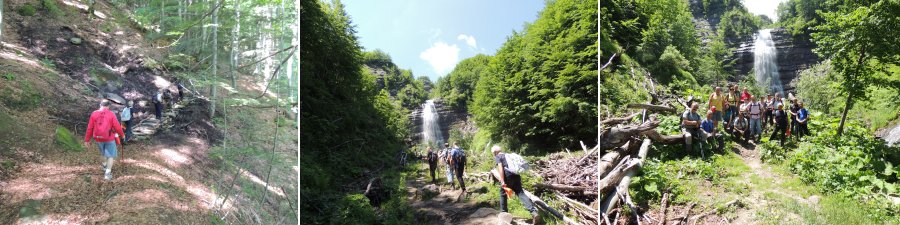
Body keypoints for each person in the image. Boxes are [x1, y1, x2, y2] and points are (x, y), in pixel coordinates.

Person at [492, 145, 540, 224]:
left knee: (502, 193)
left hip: (507, 177)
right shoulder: (508, 155)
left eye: (493, 153)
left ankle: (504, 214)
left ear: (495, 152)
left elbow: (500, 168)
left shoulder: (498, 157)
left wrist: (502, 181)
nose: (493, 155)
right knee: (520, 193)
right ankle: (534, 212)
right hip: (516, 175)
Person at [83, 99, 126, 181]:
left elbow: (90, 127)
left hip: (98, 138)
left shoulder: (94, 114)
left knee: (103, 153)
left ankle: (104, 165)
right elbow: (117, 126)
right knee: (110, 156)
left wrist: (87, 140)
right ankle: (107, 173)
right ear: (108, 106)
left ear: (100, 105)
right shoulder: (111, 114)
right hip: (109, 138)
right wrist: (122, 134)